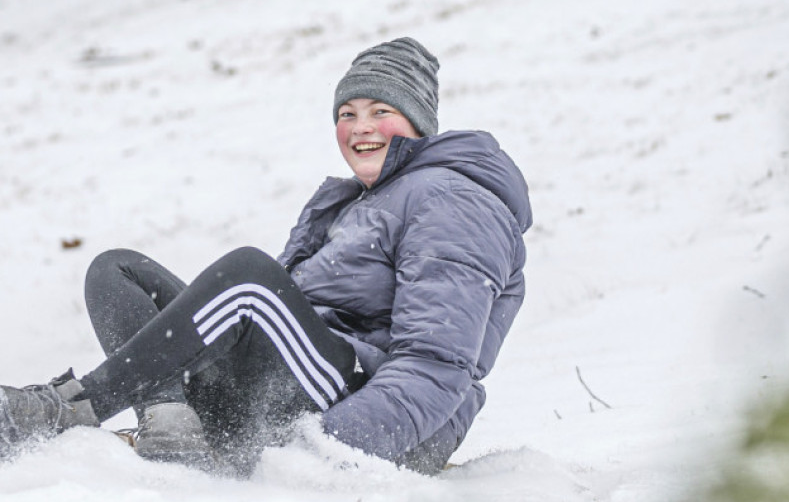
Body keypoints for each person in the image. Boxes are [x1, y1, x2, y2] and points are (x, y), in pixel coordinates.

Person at [0, 37, 531, 476]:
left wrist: (324, 450)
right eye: (347, 113)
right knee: (117, 271)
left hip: (355, 407)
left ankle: (63, 409)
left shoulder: (452, 199)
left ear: (418, 123)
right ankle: (171, 427)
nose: (359, 126)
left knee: (251, 279)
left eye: (380, 111)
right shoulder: (358, 202)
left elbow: (436, 365)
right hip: (286, 386)